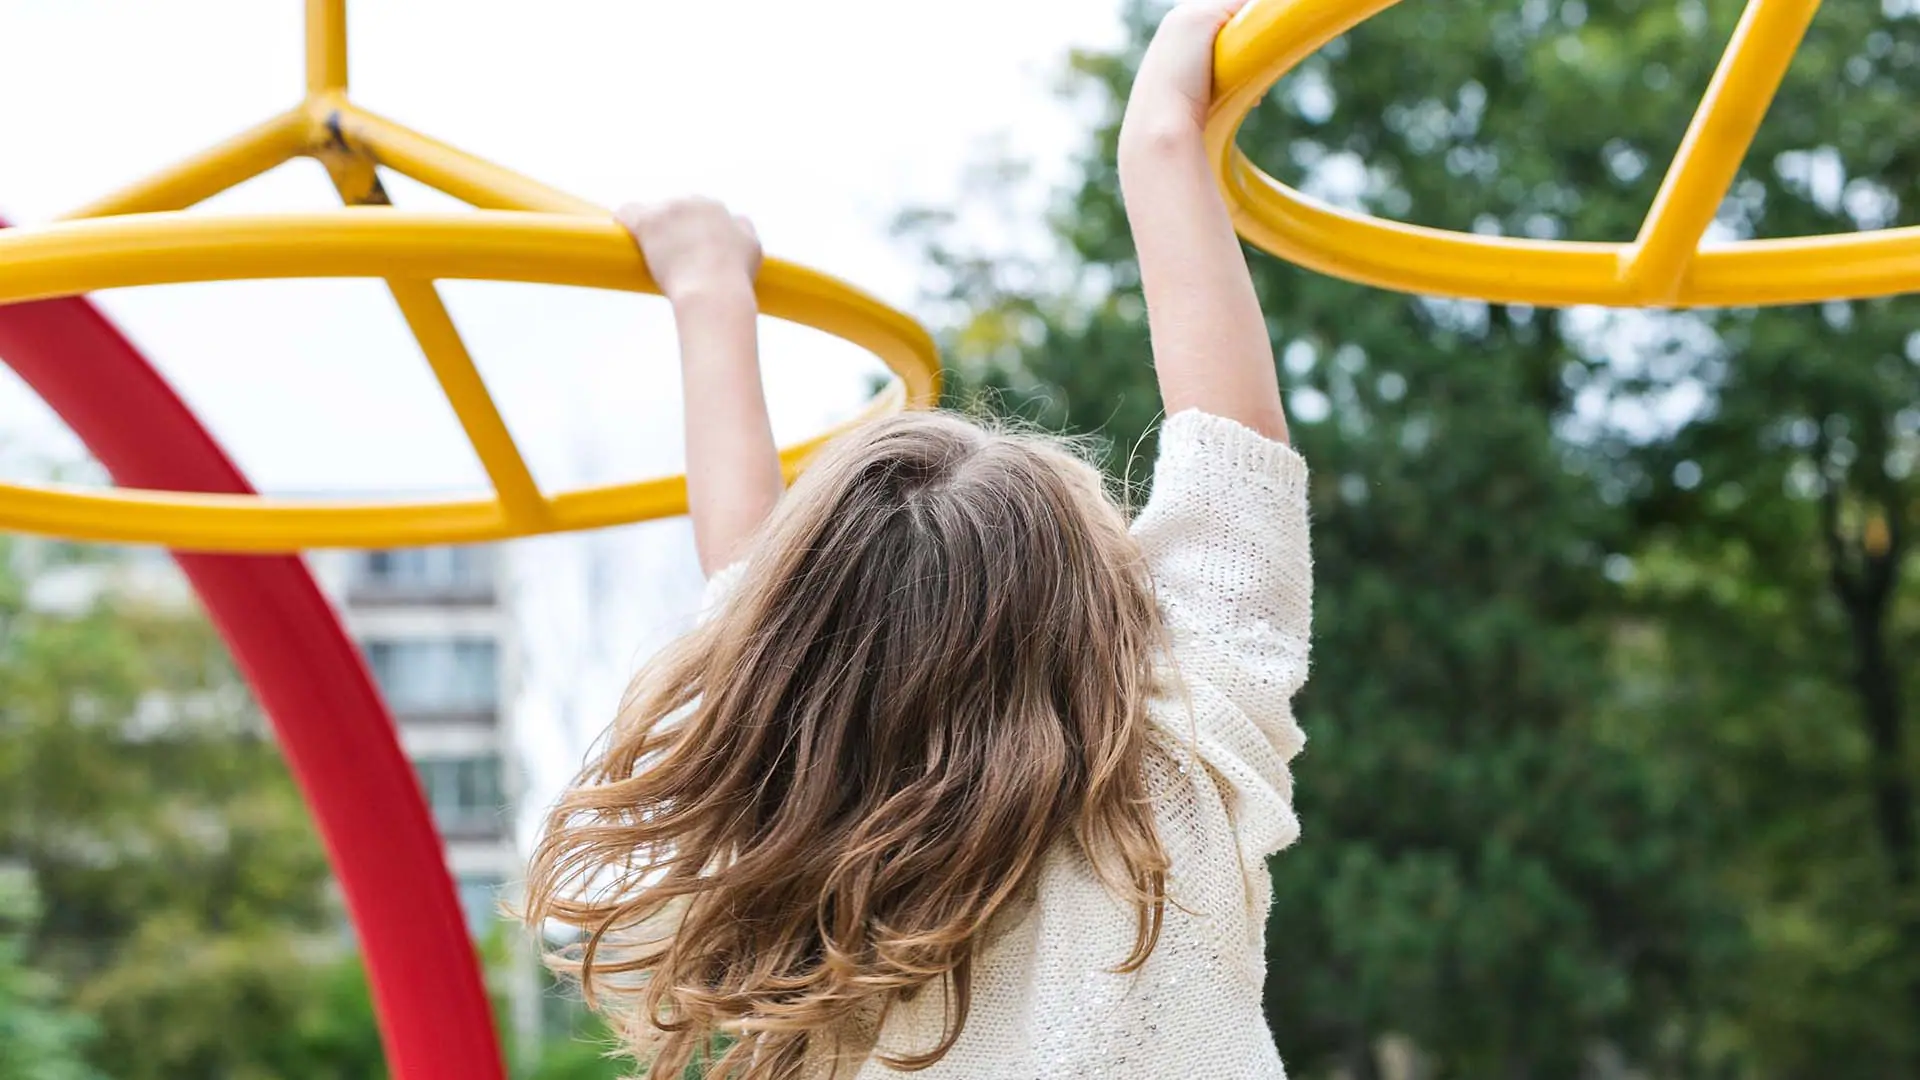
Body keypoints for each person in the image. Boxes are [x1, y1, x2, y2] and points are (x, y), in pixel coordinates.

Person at [522, 1, 1311, 1075]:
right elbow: (1233, 445)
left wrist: (708, 290)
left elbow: (748, 582)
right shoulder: (1167, 786)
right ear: (1099, 613)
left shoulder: (801, 854)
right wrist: (1157, 133)